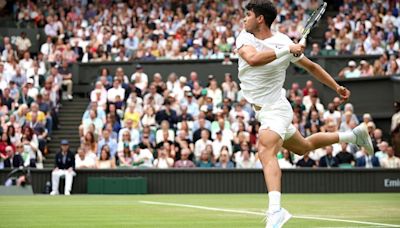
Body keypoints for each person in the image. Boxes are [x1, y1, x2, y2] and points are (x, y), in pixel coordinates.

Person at [235, 1, 374, 227]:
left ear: (260, 18)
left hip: (276, 109)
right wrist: (287, 50)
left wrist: (336, 87)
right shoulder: (246, 37)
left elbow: (313, 68)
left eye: (248, 15)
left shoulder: (283, 42)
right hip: (263, 110)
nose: (244, 19)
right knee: (304, 147)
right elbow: (253, 59)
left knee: (265, 150)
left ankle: (276, 211)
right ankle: (353, 136)